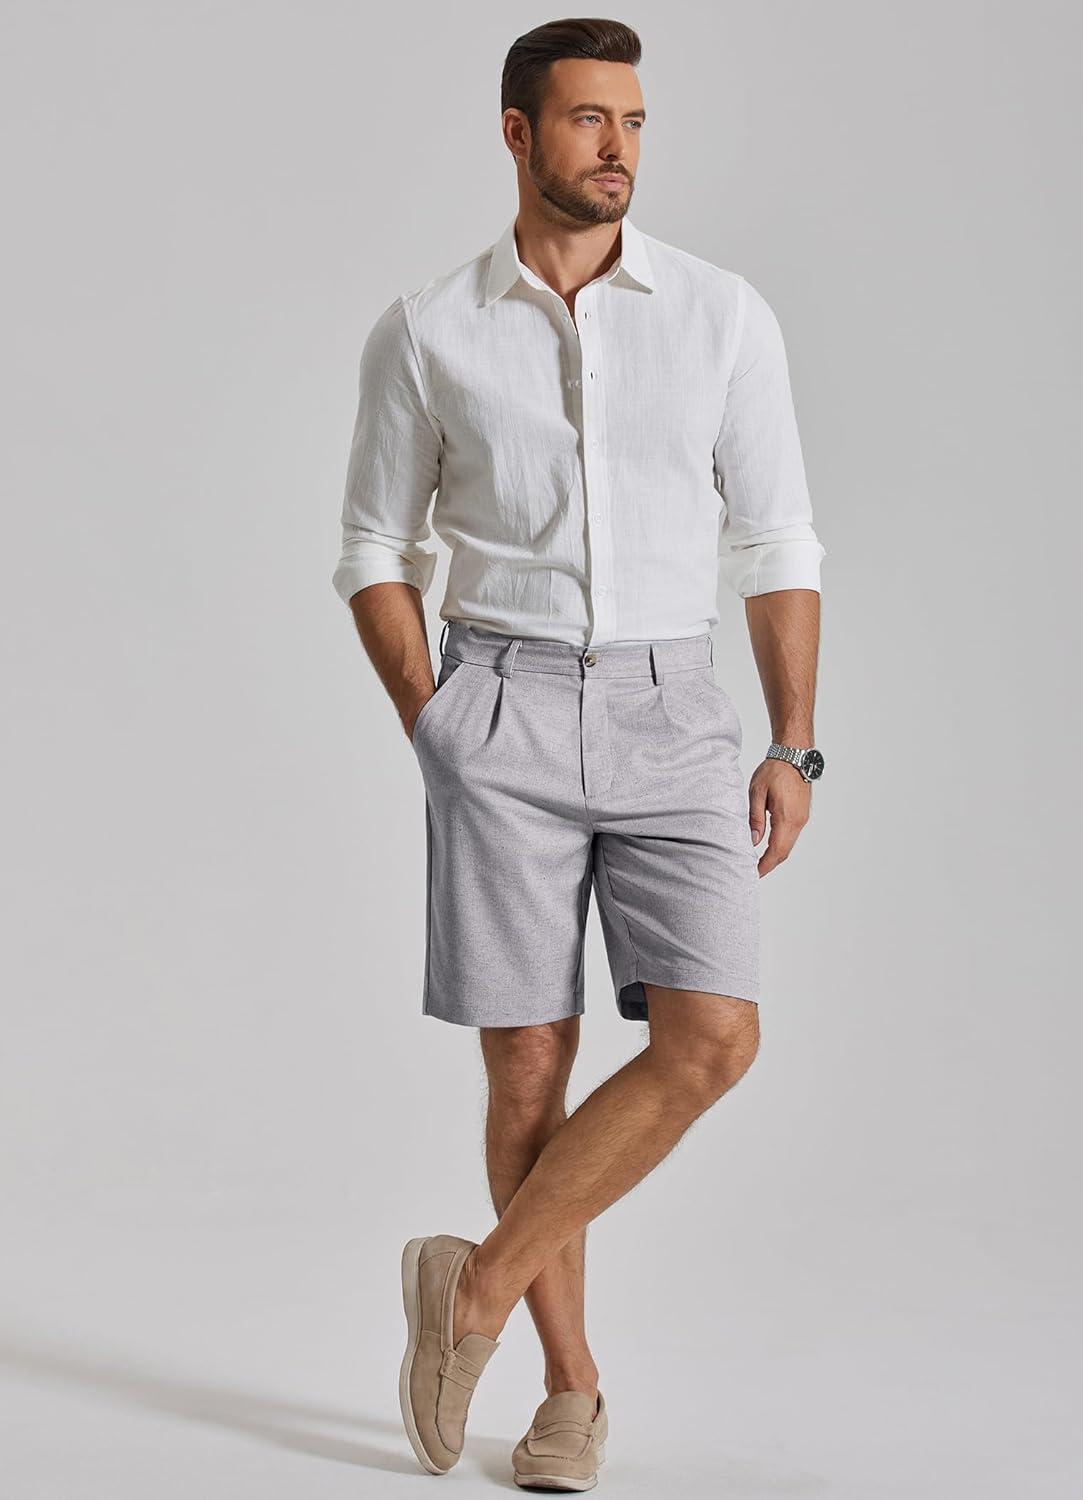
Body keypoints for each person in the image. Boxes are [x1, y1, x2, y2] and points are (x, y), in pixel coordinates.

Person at [331, 16, 826, 1489]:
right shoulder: (428, 329)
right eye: (587, 119)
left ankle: (472, 1289)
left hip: (676, 709)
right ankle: (569, 1394)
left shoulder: (720, 314)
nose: (618, 146)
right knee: (528, 1071)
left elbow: (777, 541)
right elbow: (372, 547)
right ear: (516, 132)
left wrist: (794, 742)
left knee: (711, 1039)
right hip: (502, 708)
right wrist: (437, 727)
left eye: (633, 120)